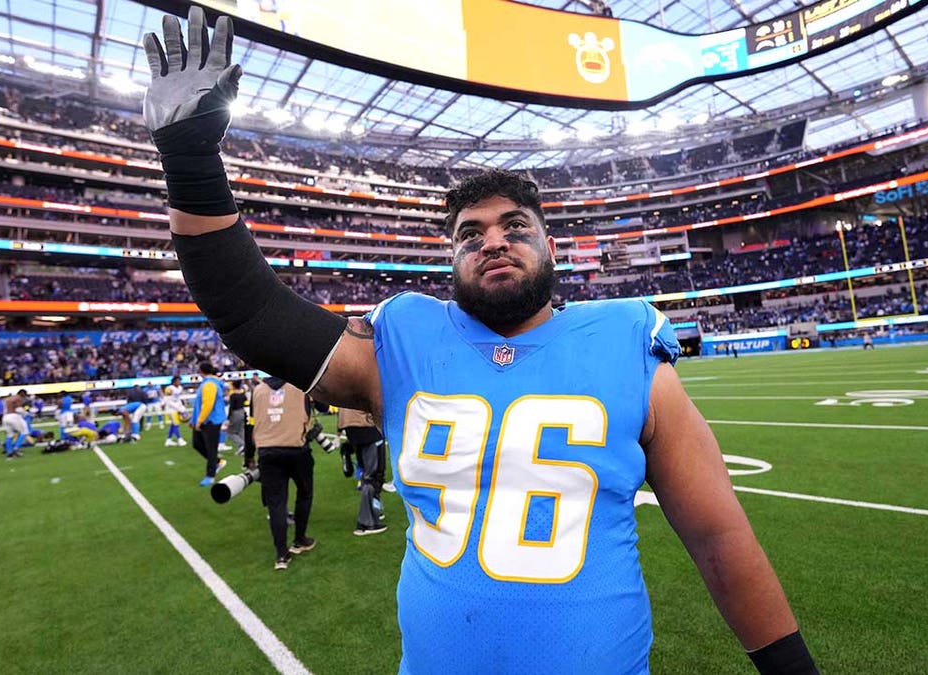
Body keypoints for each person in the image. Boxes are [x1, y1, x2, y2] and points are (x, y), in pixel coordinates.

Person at [144, 9, 816, 673]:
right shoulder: (403, 340)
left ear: (552, 248)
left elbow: (716, 534)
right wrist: (191, 163)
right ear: (451, 260)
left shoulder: (626, 340)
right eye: (470, 234)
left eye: (514, 226)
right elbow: (252, 313)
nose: (493, 240)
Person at [248, 376, 318, 569]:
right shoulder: (299, 384)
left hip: (267, 451)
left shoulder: (258, 390)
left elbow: (250, 423)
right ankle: (300, 539)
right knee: (305, 493)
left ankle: (281, 554)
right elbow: (321, 408)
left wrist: (249, 456)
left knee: (276, 503)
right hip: (296, 448)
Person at [338, 405, 387, 536]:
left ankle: (374, 511)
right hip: (366, 425)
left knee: (368, 472)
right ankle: (367, 522)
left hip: (351, 425)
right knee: (373, 475)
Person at [190, 361, 227, 487]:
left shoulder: (210, 384)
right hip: (205, 420)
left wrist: (199, 421)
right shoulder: (208, 383)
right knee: (197, 444)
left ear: (201, 371)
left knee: (211, 448)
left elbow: (208, 405)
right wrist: (193, 420)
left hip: (211, 421)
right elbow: (200, 404)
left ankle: (210, 475)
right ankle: (217, 462)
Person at [1, 389, 30, 459]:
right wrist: (27, 413)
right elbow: (18, 409)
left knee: (9, 435)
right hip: (13, 416)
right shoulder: (18, 398)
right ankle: (16, 448)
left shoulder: (7, 399)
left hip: (5, 417)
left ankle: (9, 453)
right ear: (22, 393)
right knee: (24, 432)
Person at [225, 379, 247, 456]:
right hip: (242, 411)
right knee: (241, 430)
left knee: (230, 432)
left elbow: (231, 407)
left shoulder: (233, 395)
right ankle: (246, 448)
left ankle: (241, 445)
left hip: (235, 413)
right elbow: (245, 401)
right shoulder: (243, 393)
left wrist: (228, 418)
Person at [163, 376, 187, 446]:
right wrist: (179, 409)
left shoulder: (180, 388)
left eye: (179, 381)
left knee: (173, 424)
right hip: (171, 408)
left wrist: (182, 407)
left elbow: (178, 398)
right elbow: (168, 401)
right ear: (174, 381)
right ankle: (179, 439)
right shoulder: (169, 389)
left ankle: (168, 440)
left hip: (177, 407)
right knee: (176, 424)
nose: (179, 382)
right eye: (178, 381)